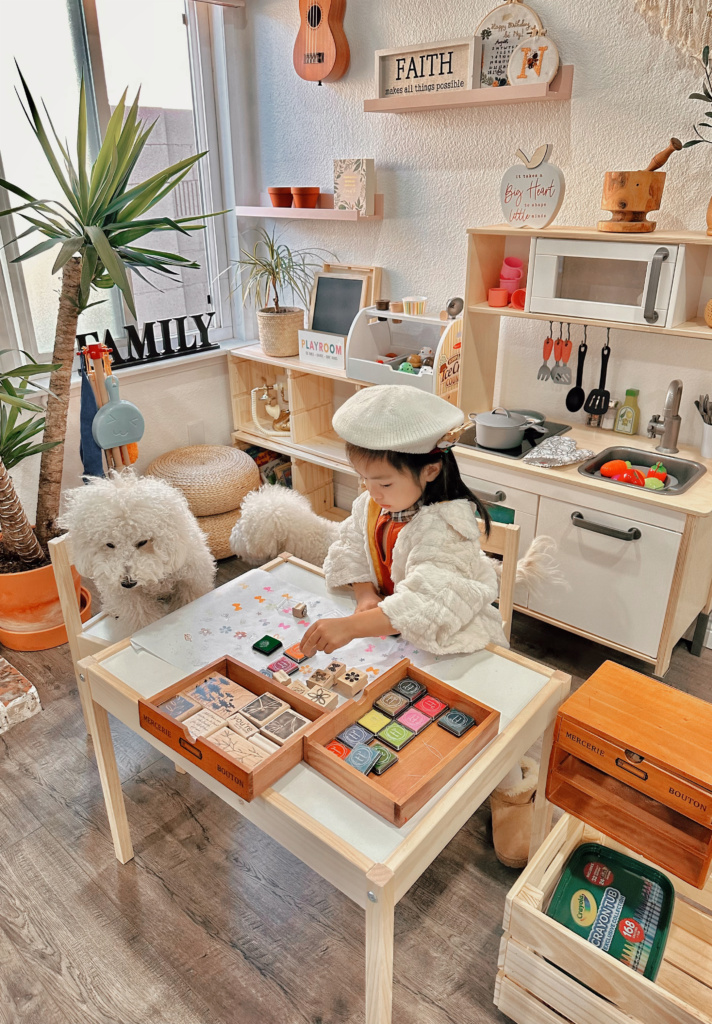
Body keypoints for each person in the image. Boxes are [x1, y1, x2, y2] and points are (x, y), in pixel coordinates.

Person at [301, 385, 507, 657]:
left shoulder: (447, 527)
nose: (372, 492)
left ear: (430, 470)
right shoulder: (373, 503)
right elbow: (351, 546)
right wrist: (364, 595)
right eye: (364, 478)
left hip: (450, 637)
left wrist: (351, 627)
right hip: (389, 626)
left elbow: (428, 603)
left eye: (384, 483)